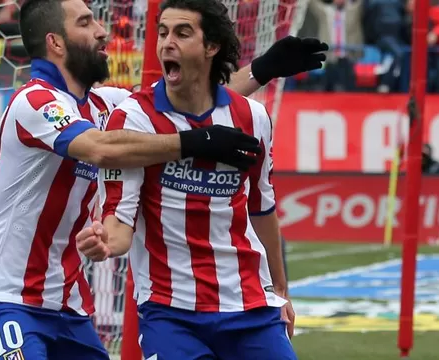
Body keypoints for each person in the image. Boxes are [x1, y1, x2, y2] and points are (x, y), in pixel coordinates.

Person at [0, 0, 327, 358]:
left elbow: (188, 99)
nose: (103, 31)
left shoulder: (102, 104)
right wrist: (195, 141)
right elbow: (100, 148)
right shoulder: (36, 101)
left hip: (66, 306)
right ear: (56, 42)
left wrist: (262, 69)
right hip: (5, 300)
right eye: (87, 23)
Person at [77, 0, 305, 359]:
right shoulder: (133, 119)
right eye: (163, 32)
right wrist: (104, 242)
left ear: (211, 47)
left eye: (182, 33)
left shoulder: (253, 117)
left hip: (250, 306)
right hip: (170, 311)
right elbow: (120, 221)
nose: (167, 42)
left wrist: (280, 290)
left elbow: (263, 209)